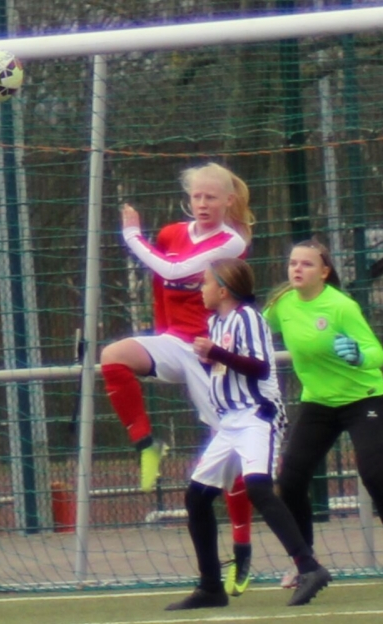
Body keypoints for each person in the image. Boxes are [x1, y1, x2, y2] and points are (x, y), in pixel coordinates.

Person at [99, 162, 258, 594]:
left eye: (211, 197)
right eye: (196, 196)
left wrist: (132, 236)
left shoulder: (232, 241)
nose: (202, 204)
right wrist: (161, 331)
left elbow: (172, 271)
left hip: (212, 353)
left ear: (228, 200)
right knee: (113, 357)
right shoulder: (172, 233)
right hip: (175, 343)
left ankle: (242, 550)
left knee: (231, 452)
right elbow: (160, 283)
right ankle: (147, 444)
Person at [166, 257, 330, 610]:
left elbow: (259, 367)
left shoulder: (248, 318)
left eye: (206, 282)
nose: (201, 289)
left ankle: (310, 568)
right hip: (229, 422)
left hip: (257, 415)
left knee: (258, 487)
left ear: (224, 289)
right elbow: (229, 365)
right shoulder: (217, 322)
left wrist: (216, 353)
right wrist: (212, 359)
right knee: (197, 497)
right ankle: (211, 587)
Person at [264, 239, 383, 586]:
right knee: (290, 481)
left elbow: (377, 353)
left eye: (306, 264)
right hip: (319, 402)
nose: (297, 269)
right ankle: (304, 560)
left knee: (375, 473)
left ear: (324, 272)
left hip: (363, 399)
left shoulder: (341, 307)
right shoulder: (281, 304)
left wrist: (358, 356)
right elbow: (255, 330)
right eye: (293, 263)